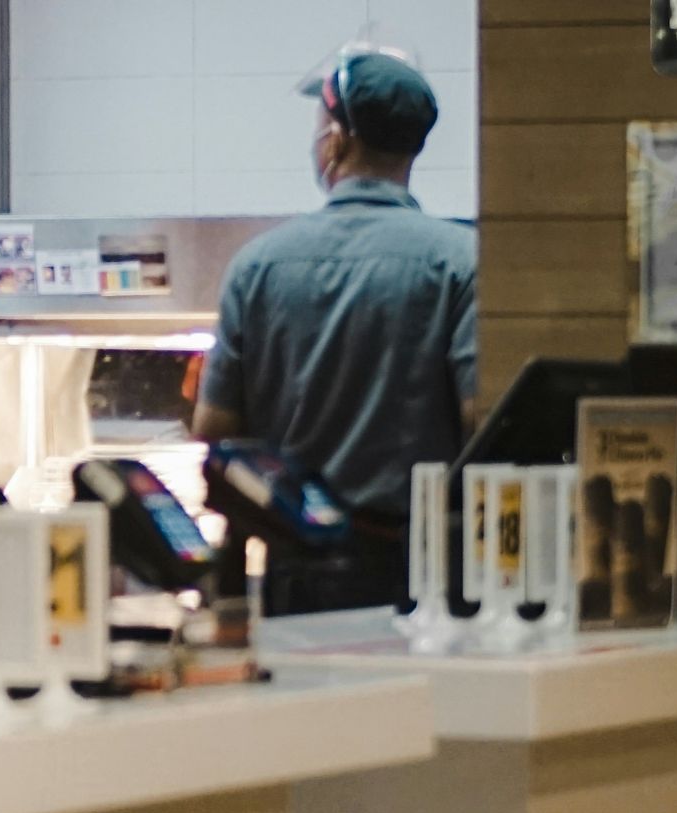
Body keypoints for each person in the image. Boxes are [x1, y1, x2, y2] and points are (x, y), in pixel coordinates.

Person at [191, 50, 476, 614]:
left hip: (293, 576)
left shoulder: (258, 265)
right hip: (419, 578)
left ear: (338, 140)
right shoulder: (461, 261)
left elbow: (216, 429)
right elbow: (480, 418)